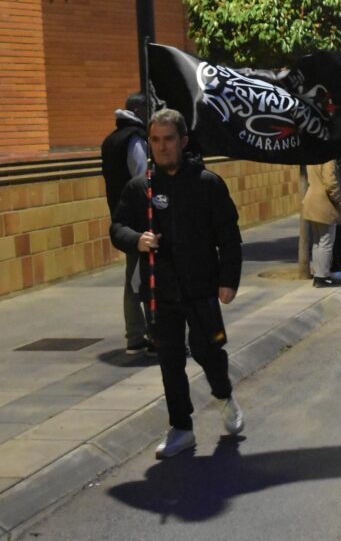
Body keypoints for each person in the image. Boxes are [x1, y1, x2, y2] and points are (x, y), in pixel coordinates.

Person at [109, 109, 244, 458]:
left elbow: (229, 236)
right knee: (170, 361)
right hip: (159, 290)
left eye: (168, 139)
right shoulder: (140, 188)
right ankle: (181, 427)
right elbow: (118, 228)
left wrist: (228, 280)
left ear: (183, 141)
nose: (162, 146)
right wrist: (137, 239)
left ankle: (223, 395)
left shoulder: (207, 183)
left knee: (208, 351)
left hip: (201, 286)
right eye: (155, 140)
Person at [101, 92, 151, 355]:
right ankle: (142, 334)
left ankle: (137, 333)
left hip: (122, 217)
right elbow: (142, 178)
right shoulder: (134, 139)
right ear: (140, 111)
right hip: (140, 220)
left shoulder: (112, 139)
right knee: (141, 277)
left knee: (134, 275)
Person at [303, 160, 341, 288]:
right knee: (326, 241)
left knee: (317, 241)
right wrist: (340, 199)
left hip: (312, 200)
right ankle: (322, 276)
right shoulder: (328, 159)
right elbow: (330, 182)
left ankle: (318, 274)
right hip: (324, 202)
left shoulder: (312, 156)